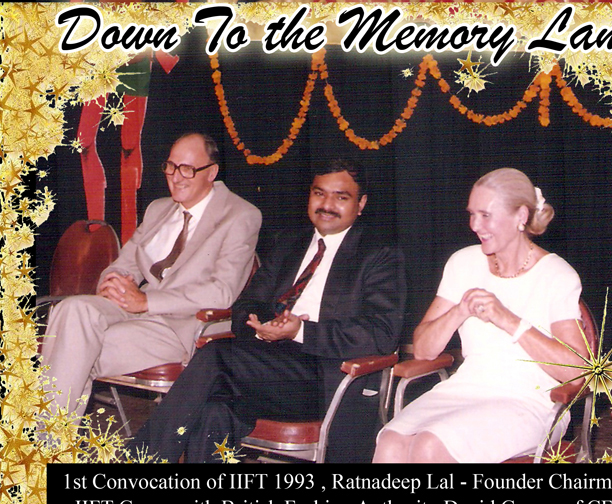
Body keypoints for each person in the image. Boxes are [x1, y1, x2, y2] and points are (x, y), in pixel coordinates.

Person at [128, 158, 406, 463]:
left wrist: (300, 331)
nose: (327, 205)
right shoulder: (289, 243)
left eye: (341, 197)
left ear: (361, 204)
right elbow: (245, 305)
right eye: (319, 193)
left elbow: (382, 333)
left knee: (217, 355)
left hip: (324, 377)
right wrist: (264, 326)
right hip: (265, 366)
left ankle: (141, 461)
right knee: (214, 411)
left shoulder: (379, 255)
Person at [373, 168, 587, 463]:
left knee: (430, 445)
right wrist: (459, 311)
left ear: (521, 216)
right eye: (472, 214)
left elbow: (577, 370)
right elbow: (423, 350)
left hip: (529, 401)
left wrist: (509, 320)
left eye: (486, 215)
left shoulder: (557, 275)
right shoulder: (463, 262)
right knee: (391, 442)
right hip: (464, 389)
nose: (475, 225)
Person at [41, 133, 262, 418]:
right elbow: (124, 264)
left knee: (70, 350)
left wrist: (146, 302)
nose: (176, 177)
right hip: (133, 310)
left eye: (187, 169)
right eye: (171, 166)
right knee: (70, 310)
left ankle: (43, 438)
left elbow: (222, 292)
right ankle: (48, 437)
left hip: (180, 326)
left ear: (212, 173)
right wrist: (113, 282)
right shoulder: (158, 209)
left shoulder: (240, 215)